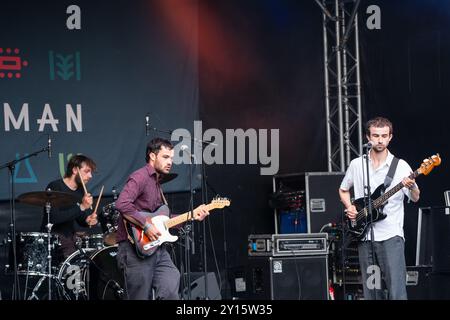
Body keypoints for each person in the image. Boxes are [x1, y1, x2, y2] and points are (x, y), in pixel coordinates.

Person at [115, 138, 209, 300]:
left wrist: (192, 215)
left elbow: (162, 219)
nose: (170, 162)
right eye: (165, 157)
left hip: (157, 249)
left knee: (170, 284)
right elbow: (122, 204)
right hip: (135, 248)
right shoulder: (140, 177)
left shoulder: (156, 183)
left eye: (172, 158)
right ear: (152, 156)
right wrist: (146, 226)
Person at [339, 116, 420, 300]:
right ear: (368, 137)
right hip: (365, 237)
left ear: (390, 137)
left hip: (391, 237)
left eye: (384, 136)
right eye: (376, 135)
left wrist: (413, 186)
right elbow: (343, 190)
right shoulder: (357, 164)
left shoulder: (399, 166)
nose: (380, 140)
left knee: (396, 290)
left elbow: (415, 198)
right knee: (371, 291)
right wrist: (350, 206)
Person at [41, 154, 99, 260]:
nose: (90, 176)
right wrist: (82, 207)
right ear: (75, 170)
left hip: (69, 237)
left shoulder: (80, 190)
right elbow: (54, 217)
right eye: (87, 171)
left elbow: (78, 216)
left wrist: (87, 220)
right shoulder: (55, 186)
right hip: (53, 239)